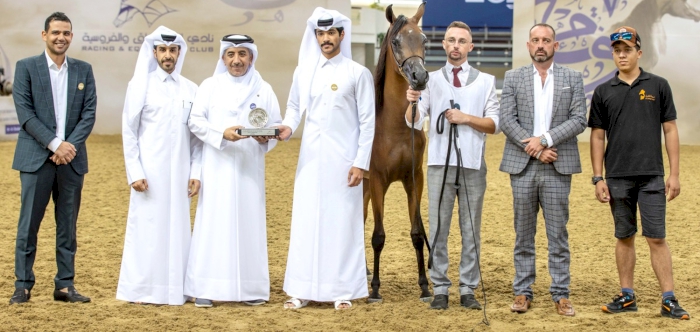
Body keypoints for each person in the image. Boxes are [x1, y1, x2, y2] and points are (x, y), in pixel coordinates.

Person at [277, 8, 375, 310]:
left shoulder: (358, 73)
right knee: (306, 222)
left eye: (331, 33)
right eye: (321, 34)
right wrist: (286, 127)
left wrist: (360, 162)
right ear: (316, 36)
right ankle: (301, 289)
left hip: (345, 163)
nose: (325, 39)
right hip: (309, 162)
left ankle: (342, 291)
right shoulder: (303, 70)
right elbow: (294, 108)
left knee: (342, 224)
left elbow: (368, 121)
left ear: (341, 35)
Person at [591, 26, 689, 320]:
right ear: (613, 53)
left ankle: (668, 298)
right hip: (617, 176)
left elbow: (670, 129)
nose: (622, 55)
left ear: (639, 52)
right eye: (617, 50)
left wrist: (675, 174)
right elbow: (597, 136)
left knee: (656, 237)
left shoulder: (658, 85)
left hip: (652, 176)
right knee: (624, 236)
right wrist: (598, 177)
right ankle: (627, 295)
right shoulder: (603, 91)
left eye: (628, 49)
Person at [405, 21, 499, 310]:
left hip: (472, 164)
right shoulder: (428, 80)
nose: (456, 45)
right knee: (438, 229)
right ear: (444, 45)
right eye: (451, 40)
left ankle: (468, 287)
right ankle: (441, 287)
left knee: (471, 229)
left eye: (461, 41)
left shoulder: (486, 81)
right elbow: (413, 121)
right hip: (438, 165)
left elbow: (494, 124)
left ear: (470, 47)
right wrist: (412, 101)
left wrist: (465, 117)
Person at [184, 34, 281, 308]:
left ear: (251, 57)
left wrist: (266, 138)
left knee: (249, 225)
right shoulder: (209, 85)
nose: (236, 60)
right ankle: (205, 287)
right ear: (223, 57)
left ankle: (251, 289)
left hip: (250, 168)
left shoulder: (265, 89)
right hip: (217, 166)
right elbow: (195, 122)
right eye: (231, 54)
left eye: (242, 54)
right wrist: (222, 133)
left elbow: (274, 124)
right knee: (213, 225)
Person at [499, 23, 586, 316]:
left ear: (555, 45)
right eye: (535, 40)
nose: (540, 45)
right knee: (523, 234)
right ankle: (522, 291)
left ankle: (561, 294)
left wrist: (545, 140)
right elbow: (506, 120)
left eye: (546, 40)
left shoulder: (572, 78)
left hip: (557, 164)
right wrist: (534, 148)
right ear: (528, 45)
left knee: (557, 234)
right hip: (523, 166)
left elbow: (578, 119)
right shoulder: (513, 77)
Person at [10, 12, 96, 305]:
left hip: (71, 161)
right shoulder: (26, 68)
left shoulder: (84, 70)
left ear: (71, 36)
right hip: (36, 158)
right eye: (56, 32)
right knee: (28, 226)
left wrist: (68, 147)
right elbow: (26, 114)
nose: (62, 37)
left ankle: (65, 285)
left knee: (68, 227)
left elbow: (88, 114)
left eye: (67, 33)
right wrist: (56, 144)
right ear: (44, 35)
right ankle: (22, 285)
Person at [117, 26, 202, 305]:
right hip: (149, 173)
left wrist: (195, 172)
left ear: (179, 53)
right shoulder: (139, 85)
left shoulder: (191, 89)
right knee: (147, 229)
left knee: (178, 228)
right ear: (154, 52)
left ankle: (177, 288)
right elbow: (129, 131)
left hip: (179, 173)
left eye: (173, 50)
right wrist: (135, 172)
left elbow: (196, 138)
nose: (168, 55)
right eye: (162, 50)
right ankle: (141, 290)